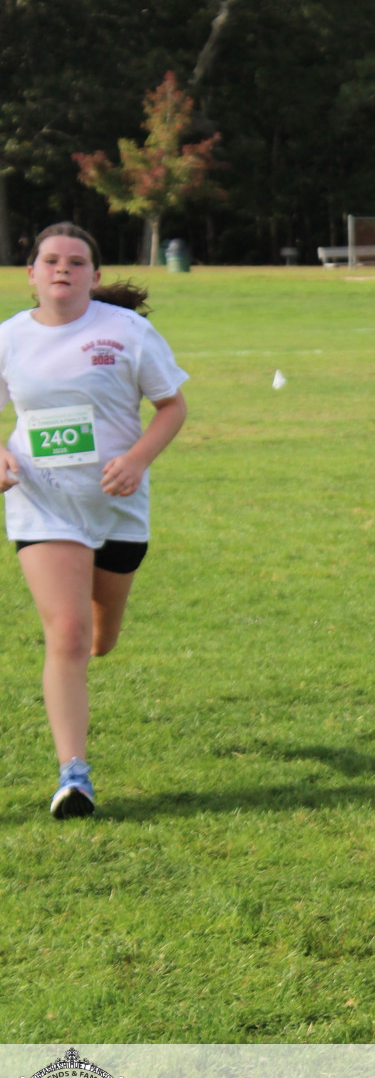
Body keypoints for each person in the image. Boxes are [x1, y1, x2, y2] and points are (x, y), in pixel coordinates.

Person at [0, 223, 188, 818]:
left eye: (76, 262)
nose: (63, 269)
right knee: (68, 636)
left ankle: (95, 641)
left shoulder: (127, 332)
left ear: (95, 276)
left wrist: (136, 460)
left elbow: (172, 406)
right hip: (43, 502)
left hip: (115, 507)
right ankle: (74, 776)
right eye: (50, 260)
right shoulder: (9, 338)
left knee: (99, 641)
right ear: (31, 274)